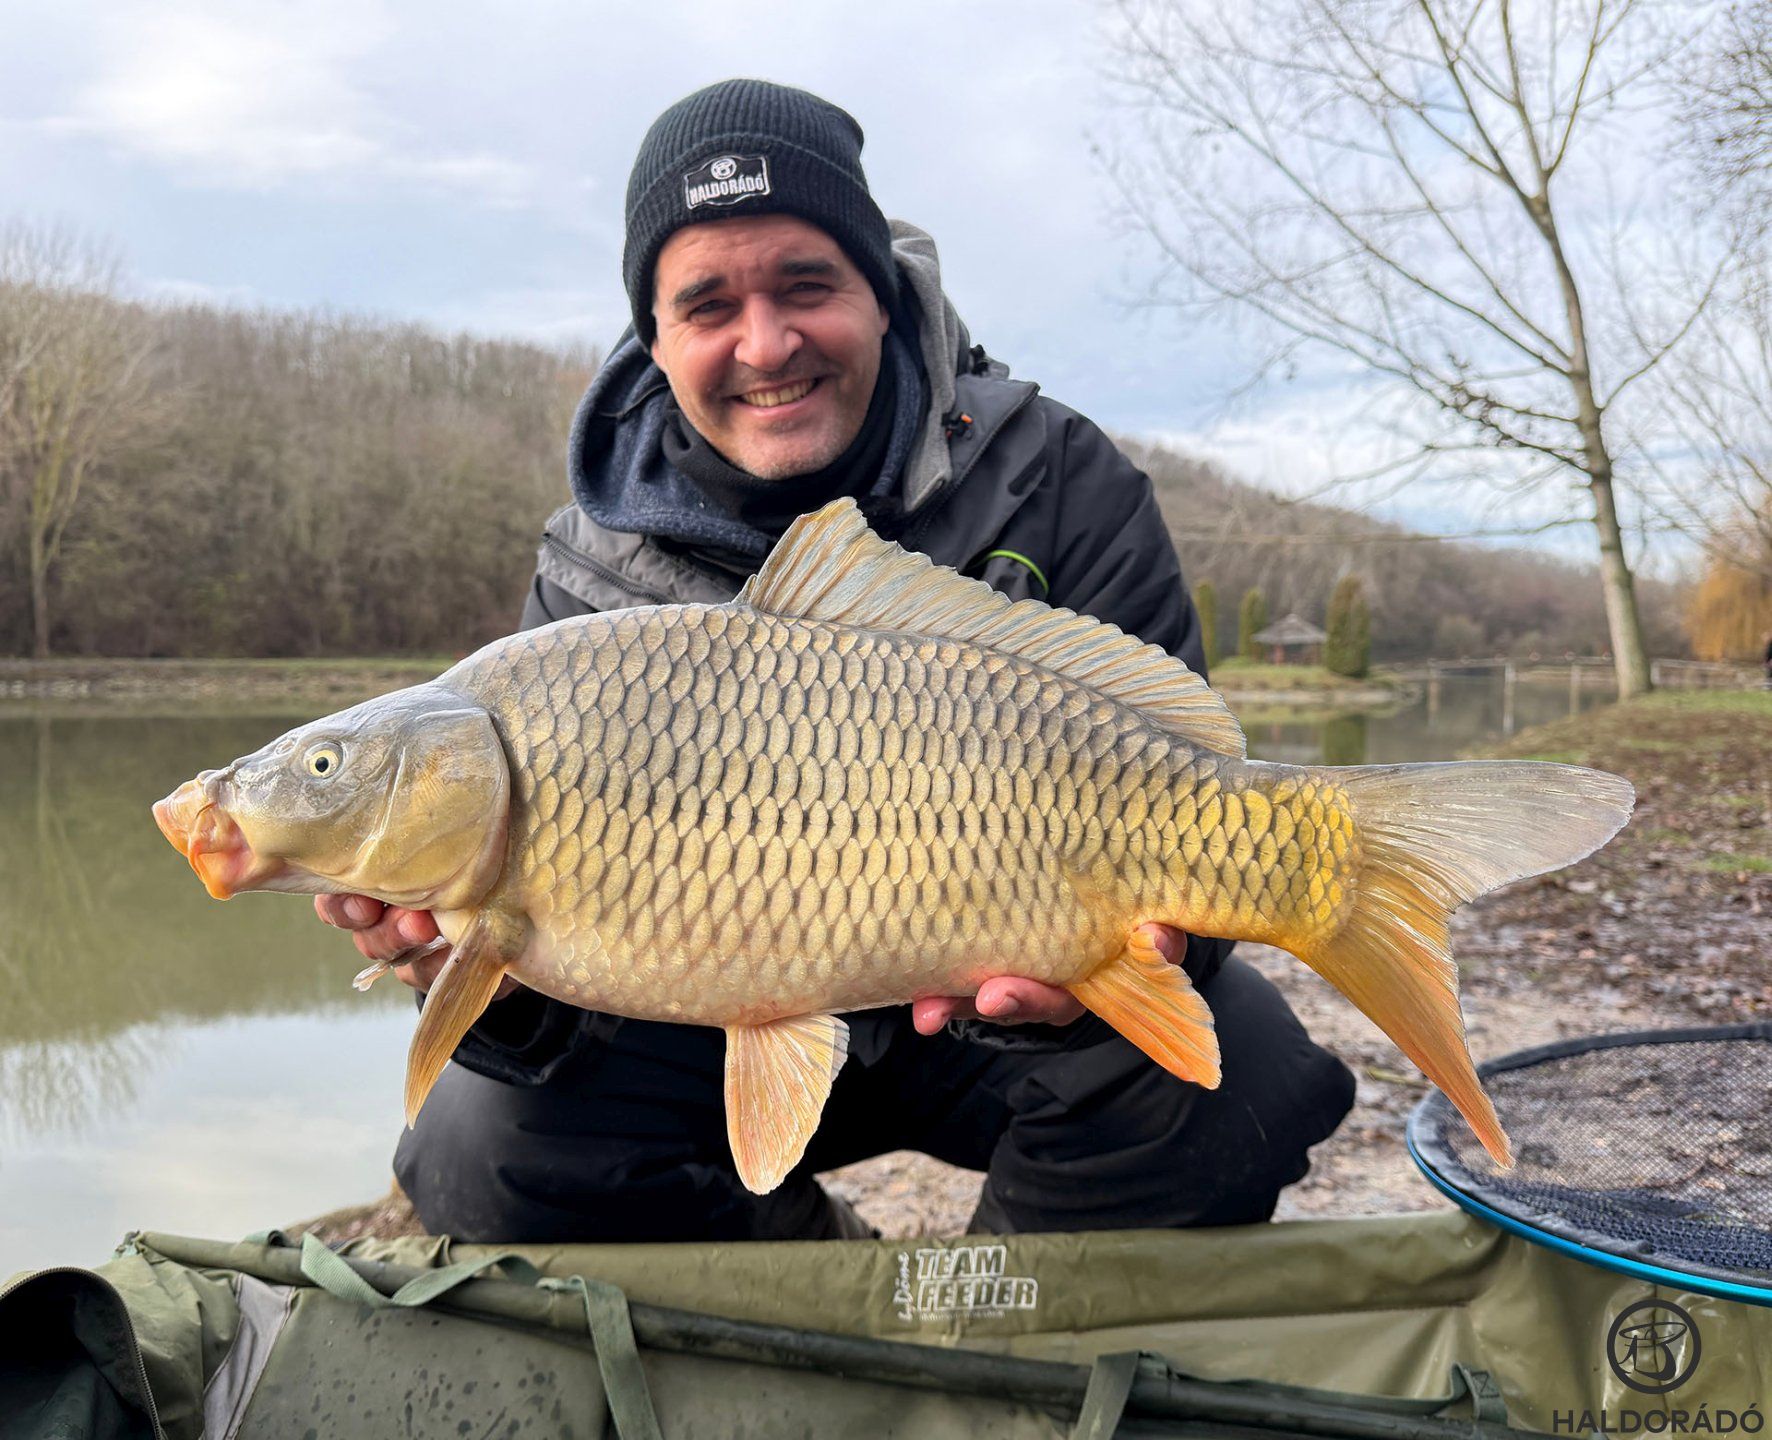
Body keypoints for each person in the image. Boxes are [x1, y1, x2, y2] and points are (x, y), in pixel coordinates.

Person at [317, 80, 1355, 1242]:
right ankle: (819, 1294)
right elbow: (557, 1023)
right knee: (478, 1145)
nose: (765, 343)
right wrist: (486, 993)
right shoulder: (586, 574)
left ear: (879, 290)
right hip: (701, 1023)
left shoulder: (1060, 480)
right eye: (707, 304)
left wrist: (1083, 990)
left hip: (988, 1017)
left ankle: (991, 1332)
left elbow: (1190, 807)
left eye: (805, 285)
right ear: (652, 341)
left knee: (1244, 1078)